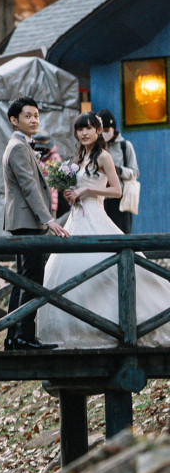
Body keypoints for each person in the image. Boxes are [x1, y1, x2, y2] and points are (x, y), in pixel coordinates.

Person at [38, 111, 170, 347]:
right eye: (80, 129)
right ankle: (73, 331)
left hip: (96, 215)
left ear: (98, 131)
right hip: (76, 218)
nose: (84, 133)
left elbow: (117, 191)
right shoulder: (77, 159)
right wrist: (71, 193)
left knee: (105, 267)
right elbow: (75, 188)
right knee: (67, 271)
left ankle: (113, 326)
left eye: (88, 128)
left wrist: (88, 191)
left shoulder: (104, 157)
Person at [2, 95, 67, 351]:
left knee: (23, 280)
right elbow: (29, 188)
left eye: (36, 116)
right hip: (26, 221)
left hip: (24, 220)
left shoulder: (24, 145)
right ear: (14, 120)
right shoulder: (18, 147)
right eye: (28, 116)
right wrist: (48, 219)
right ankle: (23, 337)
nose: (33, 120)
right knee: (31, 280)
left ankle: (13, 337)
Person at [97, 109, 140, 233]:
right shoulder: (97, 147)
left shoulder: (125, 146)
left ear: (113, 129)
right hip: (102, 197)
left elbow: (135, 172)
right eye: (102, 131)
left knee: (122, 233)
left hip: (120, 197)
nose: (105, 134)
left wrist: (118, 170)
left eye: (107, 131)